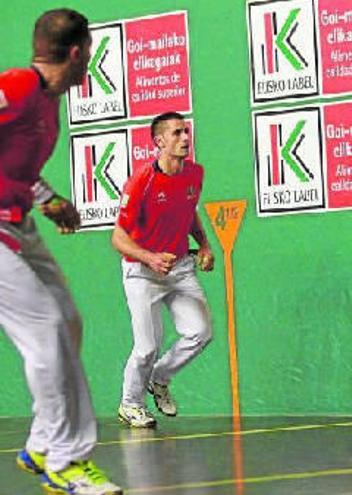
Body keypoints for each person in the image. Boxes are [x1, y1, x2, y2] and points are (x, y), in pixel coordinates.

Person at [0, 8, 124, 495]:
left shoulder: (47, 102)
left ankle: (40, 444)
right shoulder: (18, 86)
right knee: (45, 328)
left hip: (17, 222)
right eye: (88, 52)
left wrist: (47, 198)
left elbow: (15, 167)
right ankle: (65, 460)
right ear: (76, 52)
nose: (88, 61)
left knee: (67, 320)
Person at [112, 112, 214, 428]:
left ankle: (159, 377)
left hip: (180, 268)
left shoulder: (194, 173)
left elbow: (189, 211)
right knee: (147, 347)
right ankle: (130, 404)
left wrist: (204, 245)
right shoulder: (142, 182)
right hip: (142, 272)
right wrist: (150, 258)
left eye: (186, 131)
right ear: (159, 141)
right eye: (176, 133)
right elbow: (118, 238)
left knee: (200, 332)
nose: (185, 138)